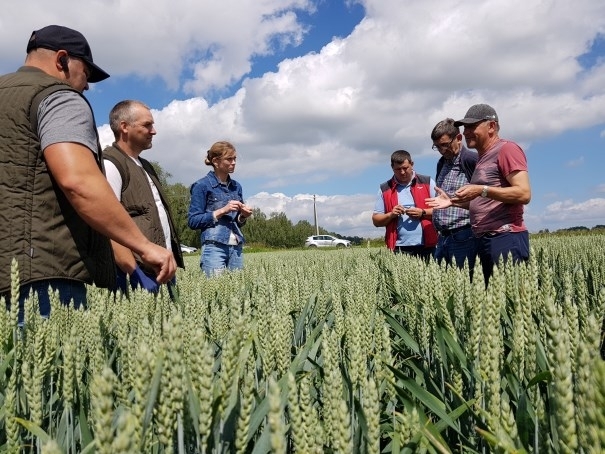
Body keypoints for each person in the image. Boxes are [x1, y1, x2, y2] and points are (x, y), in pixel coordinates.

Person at [0, 25, 176, 323]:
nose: (87, 86)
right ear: (62, 60)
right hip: (41, 274)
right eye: (86, 73)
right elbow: (79, 182)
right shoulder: (57, 97)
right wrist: (144, 246)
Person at [427, 104, 531, 284]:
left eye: (471, 126)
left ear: (491, 126)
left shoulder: (507, 149)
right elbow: (481, 202)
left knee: (510, 300)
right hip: (486, 239)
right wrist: (451, 202)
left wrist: (481, 190)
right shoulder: (483, 158)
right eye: (465, 127)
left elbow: (523, 193)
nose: (466, 132)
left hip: (505, 237)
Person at [103, 100, 184, 296]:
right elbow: (107, 225)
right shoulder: (111, 164)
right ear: (124, 127)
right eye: (147, 125)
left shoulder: (146, 166)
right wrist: (134, 271)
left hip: (160, 269)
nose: (154, 131)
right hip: (135, 273)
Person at [188, 141, 253, 276]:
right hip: (214, 247)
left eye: (234, 159)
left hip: (236, 247)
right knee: (215, 290)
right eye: (229, 159)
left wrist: (243, 216)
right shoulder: (201, 186)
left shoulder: (236, 186)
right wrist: (222, 210)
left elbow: (237, 222)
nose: (233, 162)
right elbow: (193, 221)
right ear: (216, 161)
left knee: (237, 292)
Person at [431, 118, 479, 270]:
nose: (441, 150)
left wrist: (452, 201)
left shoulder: (471, 160)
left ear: (459, 138)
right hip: (443, 237)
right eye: (437, 146)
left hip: (464, 235)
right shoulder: (442, 163)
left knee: (464, 284)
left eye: (445, 145)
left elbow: (484, 198)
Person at [372, 149, 437, 260]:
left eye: (405, 168)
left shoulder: (427, 182)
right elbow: (376, 220)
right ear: (392, 168)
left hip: (428, 245)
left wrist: (422, 212)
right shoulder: (384, 189)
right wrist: (391, 215)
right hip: (399, 247)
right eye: (398, 169)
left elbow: (442, 211)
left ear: (412, 164)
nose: (402, 172)